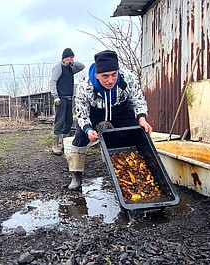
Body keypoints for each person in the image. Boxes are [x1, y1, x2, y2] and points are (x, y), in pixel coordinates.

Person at [65, 50, 152, 190]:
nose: (110, 80)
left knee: (135, 133)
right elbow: (81, 113)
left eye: (113, 75)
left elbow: (138, 100)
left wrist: (142, 118)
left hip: (121, 109)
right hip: (95, 112)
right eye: (105, 76)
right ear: (96, 75)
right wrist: (88, 129)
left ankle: (131, 170)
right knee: (79, 138)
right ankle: (76, 175)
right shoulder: (84, 87)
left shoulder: (128, 78)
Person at [49, 48, 85, 155]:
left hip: (69, 98)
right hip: (60, 98)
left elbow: (82, 66)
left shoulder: (71, 68)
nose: (72, 60)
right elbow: (53, 82)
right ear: (64, 58)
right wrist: (55, 96)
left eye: (73, 58)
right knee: (60, 121)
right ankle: (55, 144)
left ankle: (64, 142)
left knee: (69, 121)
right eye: (70, 57)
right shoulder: (59, 67)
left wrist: (72, 62)